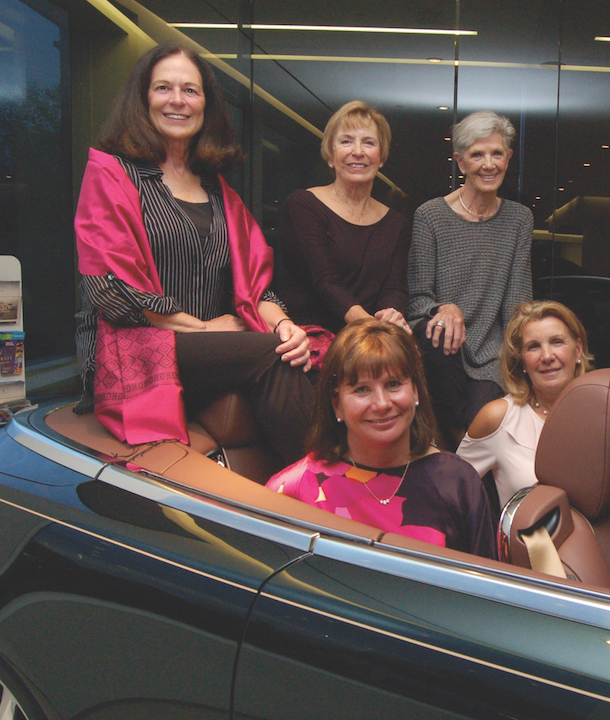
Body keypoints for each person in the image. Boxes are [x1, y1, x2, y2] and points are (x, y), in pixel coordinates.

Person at [74, 42, 314, 464]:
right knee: (269, 357)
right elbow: (111, 289)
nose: (177, 101)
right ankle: (323, 489)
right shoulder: (113, 173)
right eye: (163, 88)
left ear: (206, 103)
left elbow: (253, 286)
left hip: (202, 355)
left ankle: (307, 488)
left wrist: (286, 327)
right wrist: (209, 331)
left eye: (191, 90)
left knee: (295, 351)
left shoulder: (219, 191)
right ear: (142, 98)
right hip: (133, 350)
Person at [266, 319, 497, 558]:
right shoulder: (295, 488)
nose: (382, 404)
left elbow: (490, 588)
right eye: (361, 390)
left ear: (416, 391)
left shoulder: (457, 481)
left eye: (393, 384)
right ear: (337, 406)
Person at [407, 110, 533, 444]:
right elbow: (418, 299)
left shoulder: (519, 219)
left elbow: (518, 304)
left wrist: (518, 360)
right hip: (441, 350)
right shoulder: (430, 215)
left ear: (507, 159)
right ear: (461, 163)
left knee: (481, 424)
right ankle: (463, 460)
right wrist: (443, 308)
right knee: (439, 331)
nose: (488, 164)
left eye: (496, 153)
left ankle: (457, 460)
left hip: (491, 353)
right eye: (477, 154)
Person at [277, 101, 411, 345]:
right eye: (346, 141)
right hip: (311, 341)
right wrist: (372, 328)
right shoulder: (302, 206)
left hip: (371, 341)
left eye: (369, 142)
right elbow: (325, 282)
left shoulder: (397, 223)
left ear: (381, 157)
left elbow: (396, 289)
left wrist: (390, 317)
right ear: (330, 154)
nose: (357, 151)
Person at [457, 300, 593, 507]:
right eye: (533, 347)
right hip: (533, 539)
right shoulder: (499, 417)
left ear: (578, 350)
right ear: (521, 361)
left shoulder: (601, 413)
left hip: (598, 537)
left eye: (557, 342)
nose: (547, 356)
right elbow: (451, 492)